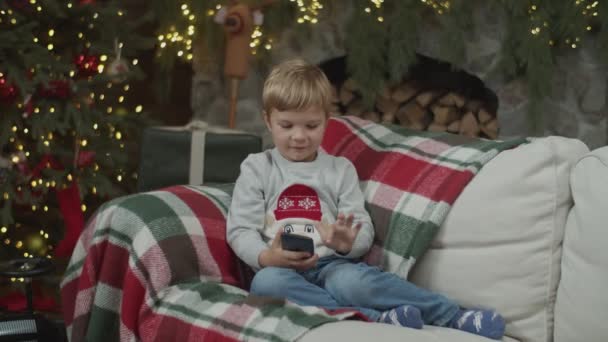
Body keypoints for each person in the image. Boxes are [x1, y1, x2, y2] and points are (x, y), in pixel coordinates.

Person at [226, 58, 505, 340]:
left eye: (311, 126)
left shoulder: (339, 169)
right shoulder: (257, 167)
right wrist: (266, 256)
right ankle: (374, 319)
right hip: (280, 268)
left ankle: (454, 315)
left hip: (331, 265)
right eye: (286, 126)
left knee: (353, 282)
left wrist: (347, 243)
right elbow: (240, 230)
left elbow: (361, 227)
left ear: (326, 120)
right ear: (268, 121)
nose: (299, 137)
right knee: (265, 283)